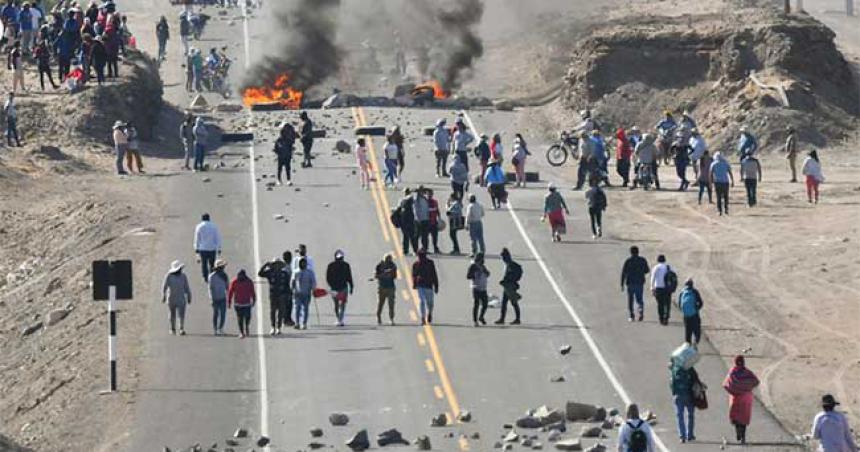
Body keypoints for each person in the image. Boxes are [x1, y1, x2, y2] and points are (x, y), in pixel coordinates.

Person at [723, 355, 760, 445]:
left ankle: (738, 433)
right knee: (744, 418)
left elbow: (726, 384)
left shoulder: (732, 372)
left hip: (736, 398)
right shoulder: (747, 372)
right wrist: (747, 388)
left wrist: (735, 390)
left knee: (736, 418)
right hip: (746, 398)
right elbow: (756, 381)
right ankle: (743, 437)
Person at [258, 252, 293, 335]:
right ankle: (273, 327)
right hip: (273, 295)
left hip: (281, 295)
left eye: (278, 264)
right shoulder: (270, 273)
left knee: (281, 312)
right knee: (273, 312)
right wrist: (265, 265)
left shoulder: (284, 274)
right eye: (275, 264)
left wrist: (289, 294)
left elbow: (287, 285)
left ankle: (279, 327)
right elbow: (260, 273)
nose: (277, 266)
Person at [161, 260, 191, 335]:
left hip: (181, 297)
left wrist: (189, 296)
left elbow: (186, 287)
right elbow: (164, 286)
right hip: (171, 298)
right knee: (172, 314)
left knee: (181, 314)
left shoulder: (183, 276)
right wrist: (163, 295)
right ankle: (172, 328)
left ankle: (181, 328)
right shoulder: (169, 276)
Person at [620, 246, 650, 322]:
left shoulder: (628, 261)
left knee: (630, 299)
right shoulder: (642, 260)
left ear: (631, 252)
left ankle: (631, 315)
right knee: (639, 299)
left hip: (630, 283)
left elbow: (624, 273)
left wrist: (622, 284)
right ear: (638, 252)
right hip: (640, 282)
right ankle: (640, 311)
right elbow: (647, 270)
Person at [325, 250, 354, 327]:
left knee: (342, 304)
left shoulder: (346, 265)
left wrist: (351, 286)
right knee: (337, 304)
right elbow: (328, 277)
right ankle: (339, 318)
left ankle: (340, 319)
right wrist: (331, 285)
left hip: (343, 287)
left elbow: (349, 277)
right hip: (335, 288)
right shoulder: (330, 266)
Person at [670, 361, 697, 443]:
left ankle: (682, 436)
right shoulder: (690, 369)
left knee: (680, 416)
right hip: (689, 396)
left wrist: (674, 393)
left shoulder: (676, 370)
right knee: (690, 415)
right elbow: (695, 380)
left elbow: (672, 383)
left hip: (679, 396)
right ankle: (690, 435)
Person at [496, 248, 523, 325]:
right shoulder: (509, 264)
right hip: (507, 286)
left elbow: (509, 276)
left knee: (513, 302)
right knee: (506, 302)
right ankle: (503, 318)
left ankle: (515, 319)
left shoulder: (509, 265)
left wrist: (504, 281)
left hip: (509, 286)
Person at [412, 249, 438, 325]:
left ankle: (430, 313)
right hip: (420, 286)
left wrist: (436, 285)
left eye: (423, 255)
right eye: (420, 255)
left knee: (430, 303)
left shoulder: (430, 263)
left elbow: (434, 274)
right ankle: (423, 318)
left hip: (429, 285)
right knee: (422, 301)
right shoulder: (416, 264)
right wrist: (414, 283)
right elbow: (414, 275)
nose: (421, 257)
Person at [227, 269, 256, 339]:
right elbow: (230, 292)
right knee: (240, 318)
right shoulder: (234, 282)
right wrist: (229, 302)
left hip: (247, 303)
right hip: (238, 304)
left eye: (241, 276)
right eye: (239, 275)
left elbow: (252, 291)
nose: (240, 277)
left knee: (248, 317)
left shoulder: (249, 281)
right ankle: (241, 332)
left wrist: (254, 300)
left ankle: (247, 326)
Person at [193, 213, 222, 281]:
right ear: (209, 218)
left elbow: (197, 238)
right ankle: (212, 275)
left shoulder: (199, 226)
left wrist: (196, 248)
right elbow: (217, 237)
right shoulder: (214, 226)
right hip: (212, 248)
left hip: (203, 248)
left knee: (204, 263)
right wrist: (219, 248)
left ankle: (205, 276)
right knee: (212, 263)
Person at [291, 257, 316, 330]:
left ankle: (304, 323)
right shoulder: (296, 272)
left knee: (306, 309)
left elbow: (313, 282)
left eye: (304, 262)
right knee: (297, 308)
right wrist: (292, 289)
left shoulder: (310, 272)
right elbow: (292, 282)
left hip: (307, 293)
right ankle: (297, 323)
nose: (303, 264)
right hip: (297, 294)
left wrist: (313, 289)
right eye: (301, 262)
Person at [466, 252, 489, 326]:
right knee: (476, 304)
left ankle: (481, 317)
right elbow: (468, 276)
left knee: (485, 304)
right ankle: (475, 321)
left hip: (483, 288)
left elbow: (488, 274)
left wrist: (483, 270)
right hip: (475, 287)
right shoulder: (473, 266)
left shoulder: (483, 266)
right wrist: (475, 274)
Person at [677, 278, 703, 345]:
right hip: (694, 315)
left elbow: (679, 305)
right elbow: (701, 303)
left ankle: (687, 347)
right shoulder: (695, 292)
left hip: (686, 316)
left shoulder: (682, 292)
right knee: (697, 331)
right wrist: (696, 309)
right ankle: (695, 344)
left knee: (688, 332)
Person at [374, 253, 398, 325]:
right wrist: (384, 273)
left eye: (389, 260)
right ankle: (378, 316)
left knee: (391, 304)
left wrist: (391, 273)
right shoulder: (379, 266)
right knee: (380, 303)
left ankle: (391, 318)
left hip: (390, 287)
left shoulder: (393, 266)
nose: (388, 261)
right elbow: (376, 276)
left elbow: (395, 276)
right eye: (387, 260)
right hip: (382, 287)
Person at [709, 152, 734, 216]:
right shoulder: (726, 163)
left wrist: (710, 183)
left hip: (717, 182)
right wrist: (732, 181)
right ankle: (726, 209)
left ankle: (719, 210)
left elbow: (710, 174)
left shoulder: (713, 164)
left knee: (718, 197)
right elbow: (730, 172)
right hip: (725, 182)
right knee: (726, 196)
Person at [650, 254, 673, 325]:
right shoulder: (668, 267)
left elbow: (652, 278)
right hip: (667, 288)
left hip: (658, 288)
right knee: (667, 303)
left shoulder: (656, 267)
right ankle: (666, 317)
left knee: (660, 304)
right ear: (664, 260)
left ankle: (661, 318)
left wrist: (652, 287)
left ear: (658, 260)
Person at [208, 259, 228, 335]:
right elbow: (210, 288)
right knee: (215, 314)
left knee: (223, 314)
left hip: (223, 297)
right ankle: (215, 329)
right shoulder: (211, 276)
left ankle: (221, 328)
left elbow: (227, 286)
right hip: (215, 298)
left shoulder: (224, 276)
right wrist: (211, 298)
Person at [397, 188, 418, 255]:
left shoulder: (402, 200)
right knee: (411, 236)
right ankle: (414, 250)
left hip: (404, 220)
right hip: (409, 220)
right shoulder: (409, 199)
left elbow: (398, 208)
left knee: (406, 236)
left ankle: (406, 251)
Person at [414, 186, 431, 251]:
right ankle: (415, 249)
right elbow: (415, 210)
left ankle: (425, 249)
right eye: (421, 191)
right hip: (419, 220)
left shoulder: (425, 198)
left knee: (425, 236)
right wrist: (418, 218)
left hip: (425, 219)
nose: (423, 192)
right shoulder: (416, 199)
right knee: (417, 235)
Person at [427, 189, 442, 254]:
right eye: (428, 194)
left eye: (431, 194)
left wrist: (439, 218)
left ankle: (436, 248)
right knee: (425, 236)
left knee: (435, 237)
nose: (429, 195)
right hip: (427, 222)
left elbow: (437, 210)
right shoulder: (425, 202)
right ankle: (425, 248)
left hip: (434, 222)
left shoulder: (435, 202)